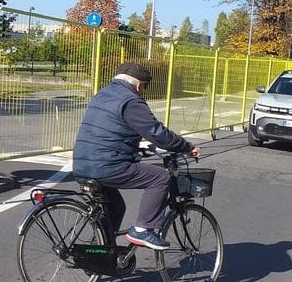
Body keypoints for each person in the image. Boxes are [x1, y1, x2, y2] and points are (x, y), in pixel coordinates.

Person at [72, 62, 200, 250]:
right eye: (145, 87)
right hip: (107, 166)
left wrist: (136, 151)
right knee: (160, 177)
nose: (143, 91)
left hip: (82, 165)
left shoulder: (103, 94)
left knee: (116, 208)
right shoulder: (131, 100)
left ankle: (98, 252)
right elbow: (157, 133)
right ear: (139, 85)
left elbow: (108, 133)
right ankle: (143, 230)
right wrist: (186, 147)